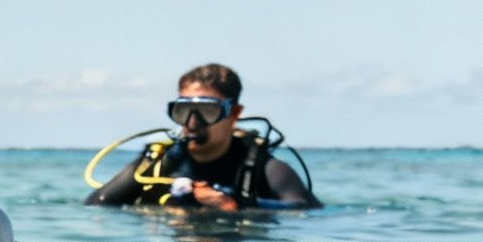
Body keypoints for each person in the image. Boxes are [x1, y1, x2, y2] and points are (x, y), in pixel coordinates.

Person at [86, 63, 319, 209]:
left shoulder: (264, 168)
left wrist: (236, 204)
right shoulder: (157, 163)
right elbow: (97, 205)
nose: (191, 123)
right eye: (183, 110)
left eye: (207, 111)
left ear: (234, 114)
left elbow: (307, 212)